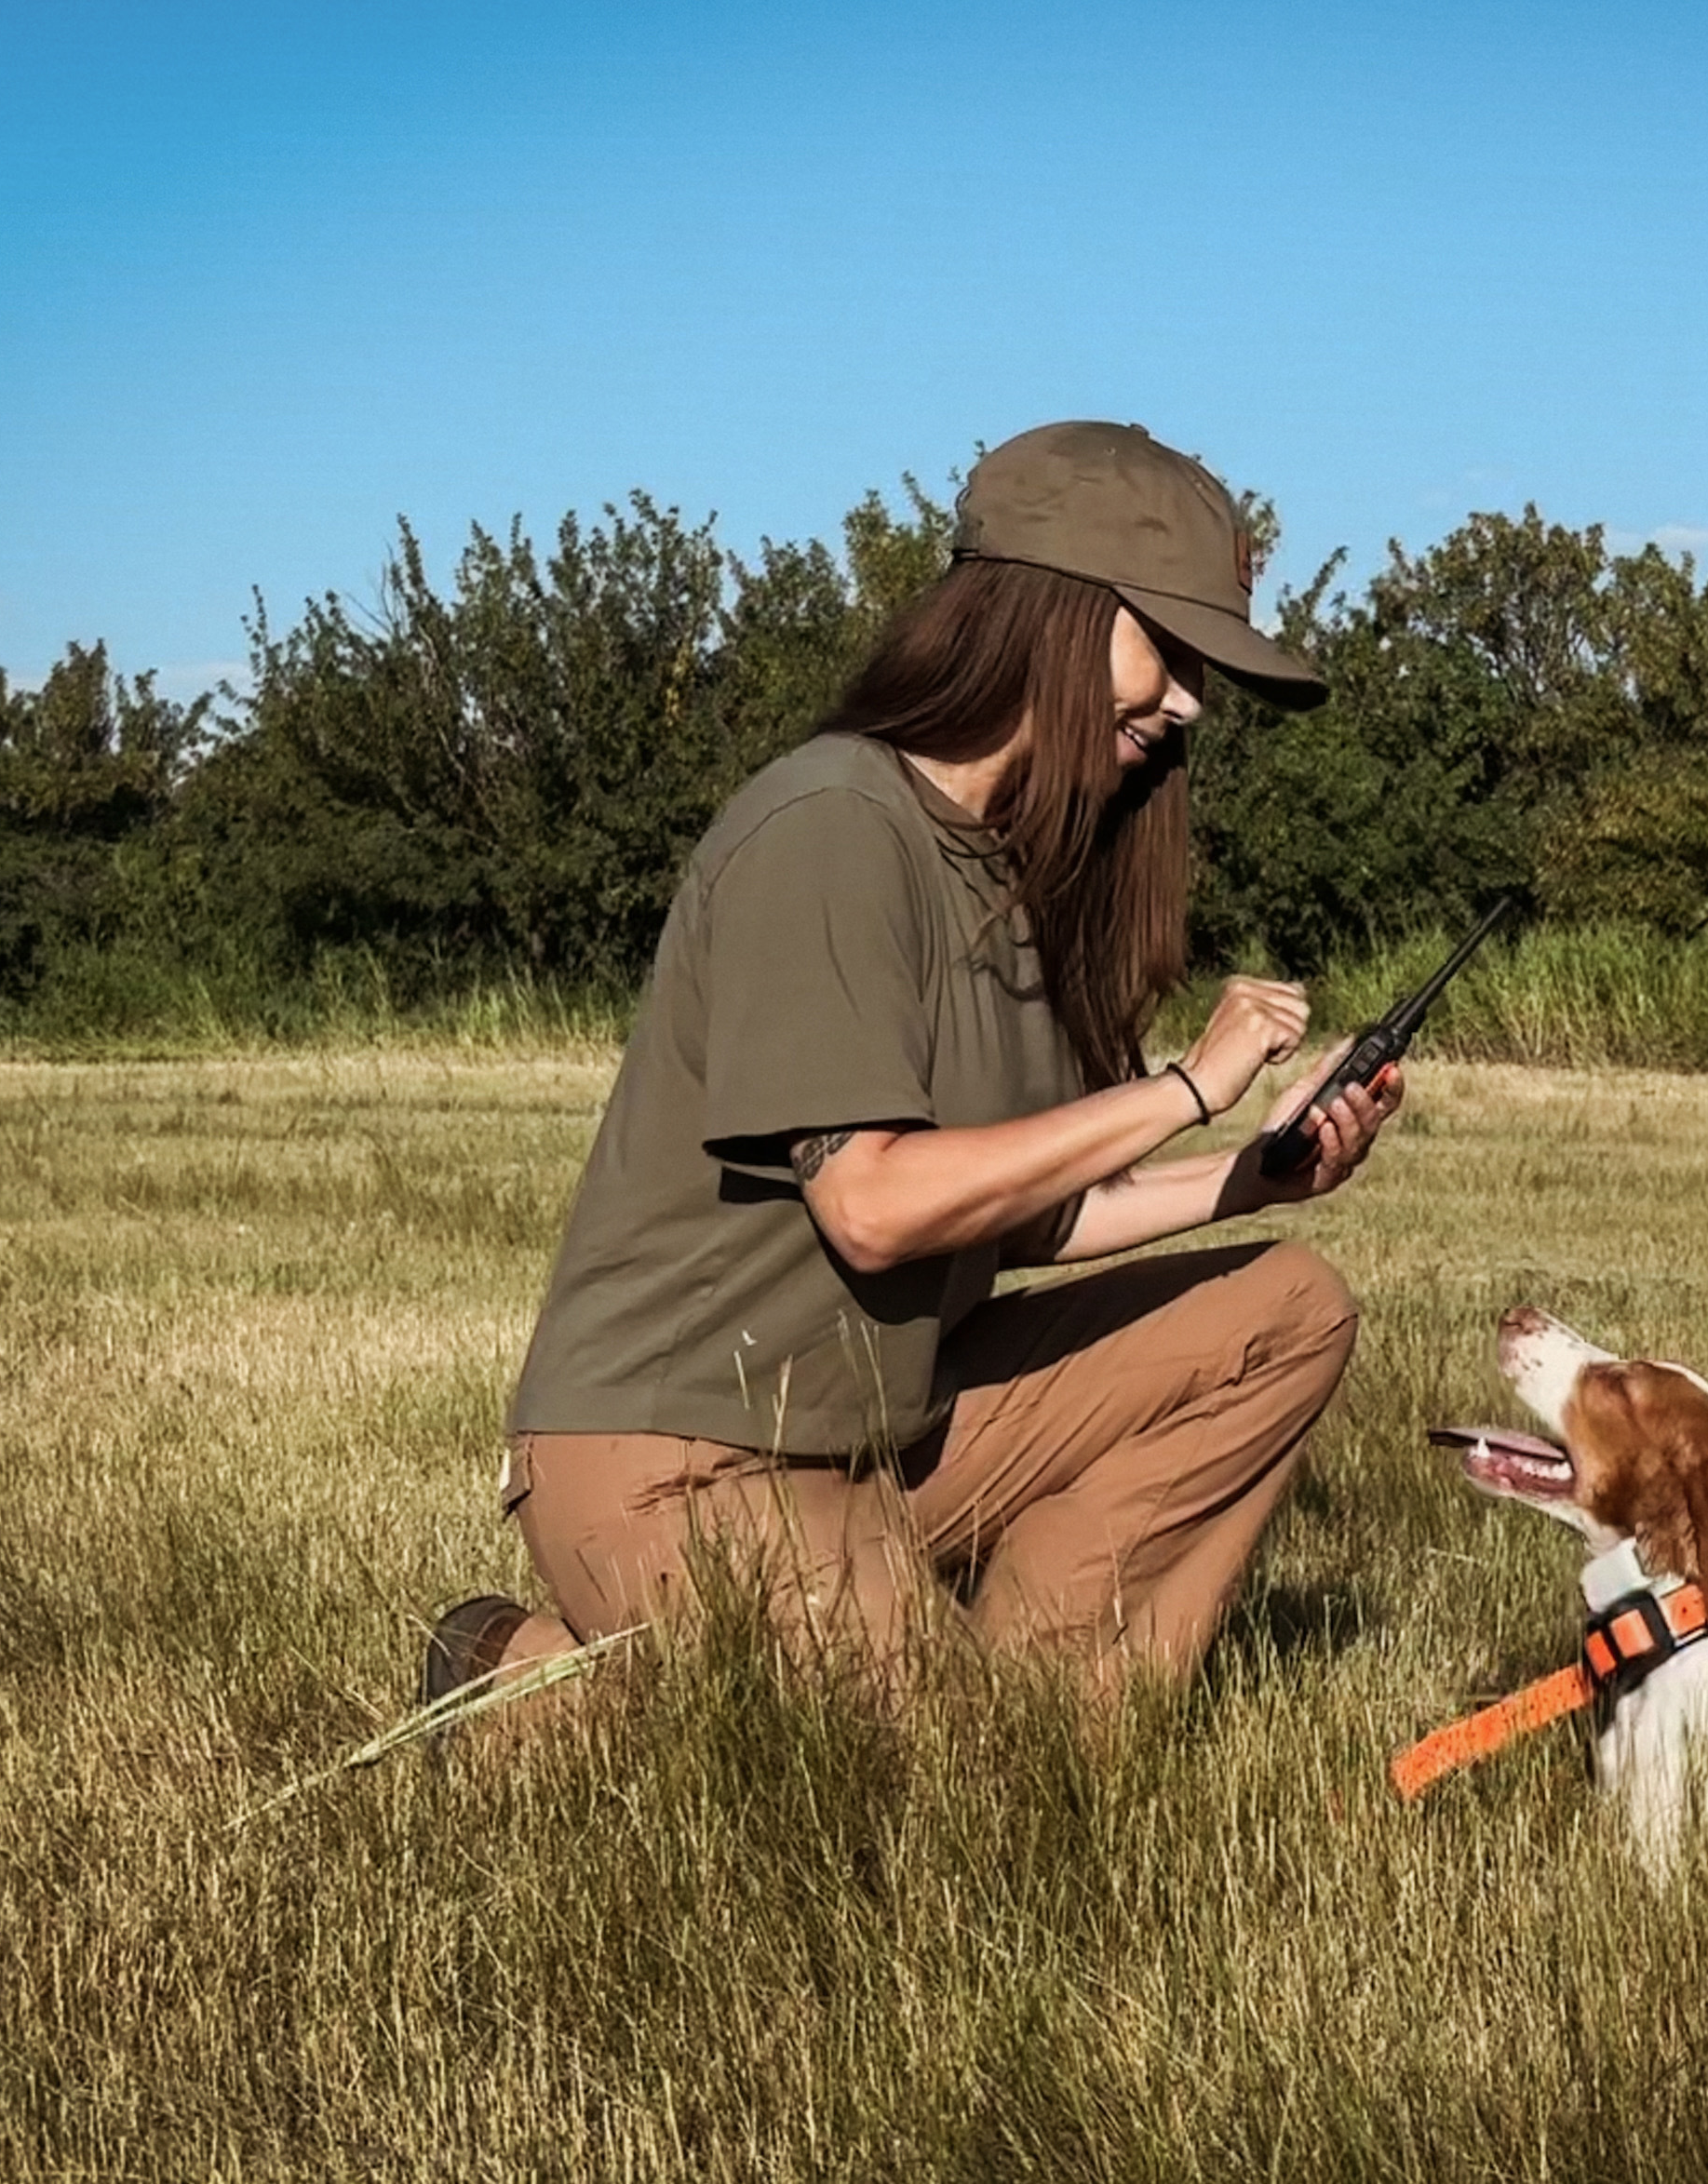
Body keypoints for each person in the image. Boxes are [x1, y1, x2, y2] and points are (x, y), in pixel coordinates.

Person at [424, 421, 1400, 1706]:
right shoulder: (832, 824)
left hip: (885, 1432)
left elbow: (1021, 1217)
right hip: (686, 1449)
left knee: (1284, 1312)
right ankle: (509, 1681)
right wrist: (1178, 1091)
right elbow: (876, 1207)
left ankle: (1059, 1711)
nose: (1186, 703)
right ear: (1047, 611)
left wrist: (1250, 1179)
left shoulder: (1025, 867)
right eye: (1167, 650)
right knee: (896, 1787)